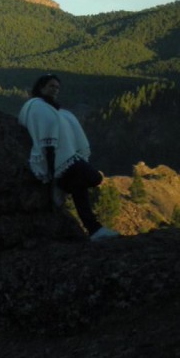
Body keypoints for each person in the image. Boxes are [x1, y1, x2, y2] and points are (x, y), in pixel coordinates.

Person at [18, 74, 120, 241]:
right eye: (51, 86)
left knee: (80, 186)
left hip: (66, 158)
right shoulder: (37, 106)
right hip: (60, 159)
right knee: (94, 177)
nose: (55, 90)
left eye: (57, 87)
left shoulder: (51, 108)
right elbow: (47, 139)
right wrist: (52, 172)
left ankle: (94, 229)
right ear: (41, 87)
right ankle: (65, 188)